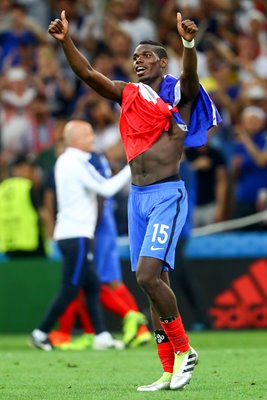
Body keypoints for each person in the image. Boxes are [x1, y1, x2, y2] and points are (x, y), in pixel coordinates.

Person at [48, 11, 221, 391]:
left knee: (145, 275)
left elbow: (191, 77)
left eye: (145, 56)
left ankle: (184, 350)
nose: (137, 60)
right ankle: (168, 369)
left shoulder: (180, 96)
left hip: (166, 195)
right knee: (154, 282)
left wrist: (188, 44)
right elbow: (90, 75)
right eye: (135, 57)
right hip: (138, 198)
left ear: (162, 62)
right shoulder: (129, 94)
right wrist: (65, 42)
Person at [30, 120, 131, 351]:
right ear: (75, 139)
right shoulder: (73, 162)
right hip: (75, 235)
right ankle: (40, 332)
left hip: (75, 234)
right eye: (88, 135)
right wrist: (132, 166)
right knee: (71, 287)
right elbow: (106, 189)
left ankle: (102, 336)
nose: (93, 139)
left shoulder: (71, 160)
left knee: (92, 284)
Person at [49, 152, 152, 349]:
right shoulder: (93, 158)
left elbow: (100, 194)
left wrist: (91, 230)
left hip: (96, 226)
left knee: (87, 281)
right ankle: (136, 330)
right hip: (105, 225)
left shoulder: (84, 159)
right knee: (108, 282)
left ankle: (126, 321)